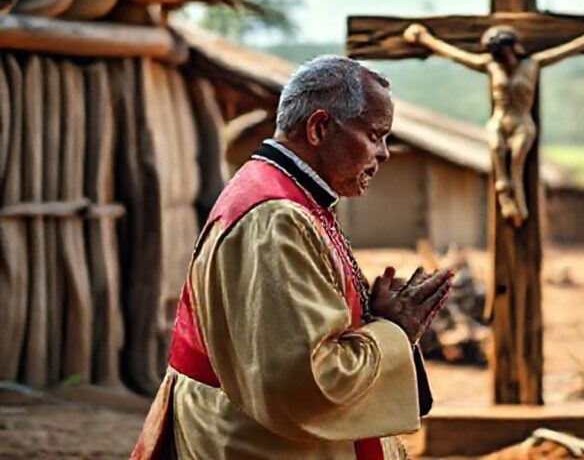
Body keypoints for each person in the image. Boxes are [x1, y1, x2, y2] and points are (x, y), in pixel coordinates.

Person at [132, 56, 452, 459]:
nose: (385, 153)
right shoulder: (275, 218)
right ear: (320, 128)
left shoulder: (291, 197)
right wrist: (393, 331)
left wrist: (371, 317)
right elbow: (305, 382)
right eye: (375, 135)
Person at [402, 19, 584, 227]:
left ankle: (520, 204)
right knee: (496, 149)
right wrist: (425, 39)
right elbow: (457, 55)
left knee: (516, 160)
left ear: (514, 48)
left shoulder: (532, 65)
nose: (502, 59)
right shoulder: (491, 66)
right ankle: (505, 199)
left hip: (521, 121)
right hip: (500, 118)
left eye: (505, 53)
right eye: (497, 55)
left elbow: (567, 49)